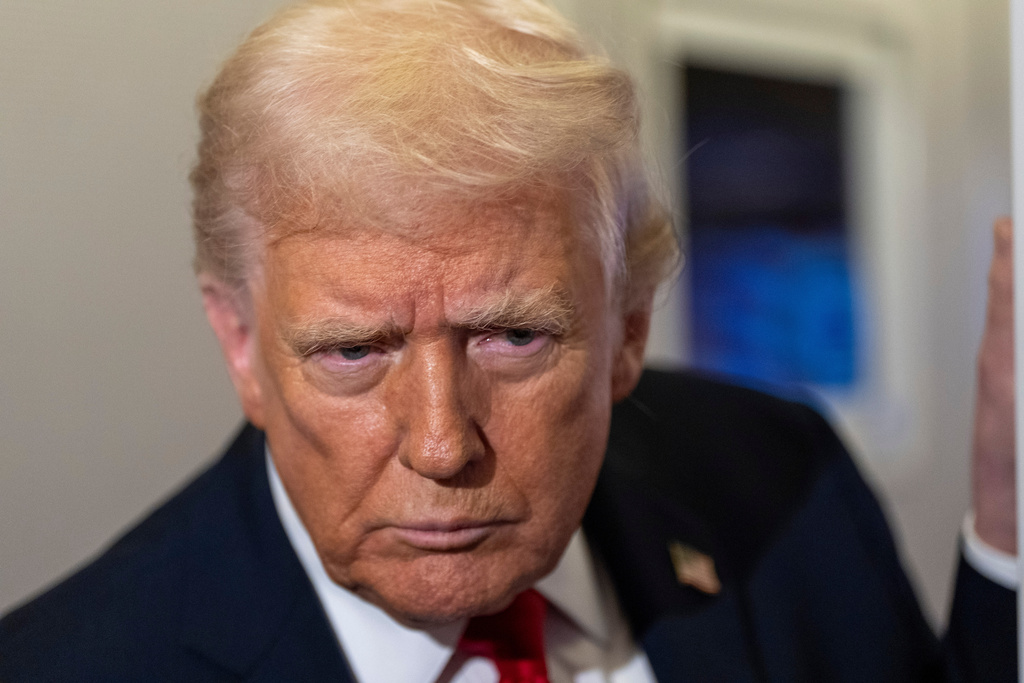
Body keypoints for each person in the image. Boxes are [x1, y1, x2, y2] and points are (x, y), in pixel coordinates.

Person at [0, 0, 1016, 680]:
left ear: (625, 327)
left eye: (513, 336)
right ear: (237, 340)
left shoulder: (776, 472)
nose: (442, 446)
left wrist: (1010, 513)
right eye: (354, 351)